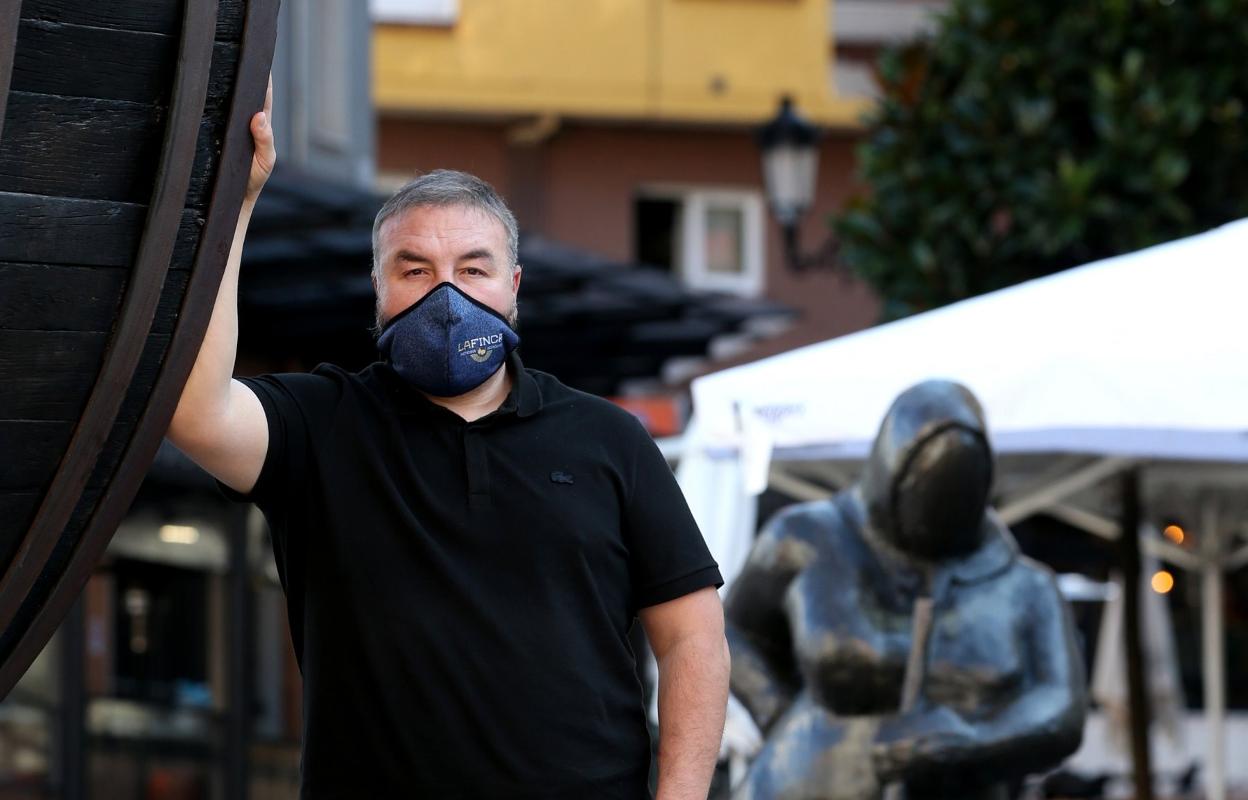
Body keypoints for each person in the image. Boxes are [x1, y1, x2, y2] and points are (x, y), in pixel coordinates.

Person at [167, 84, 730, 799]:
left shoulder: (608, 439)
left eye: (472, 269)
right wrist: (234, 202)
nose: (446, 297)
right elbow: (197, 412)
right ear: (378, 287)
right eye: (415, 270)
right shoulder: (321, 425)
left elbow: (693, 638)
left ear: (513, 285)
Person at [724, 380, 1086, 800]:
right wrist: (782, 717)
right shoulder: (808, 537)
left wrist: (972, 744)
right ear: (889, 473)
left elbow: (1061, 710)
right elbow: (730, 632)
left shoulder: (1027, 588)